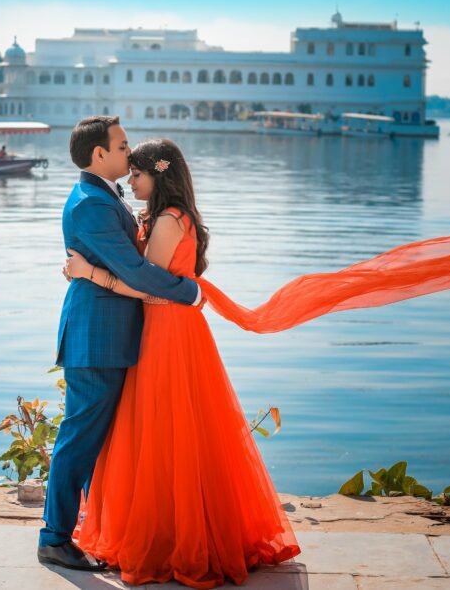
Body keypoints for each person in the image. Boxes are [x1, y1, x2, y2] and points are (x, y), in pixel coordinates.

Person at [63, 139, 300, 588]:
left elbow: (148, 286)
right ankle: (172, 529)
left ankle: (175, 539)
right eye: (129, 172)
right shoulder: (163, 217)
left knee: (165, 430)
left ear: (159, 175)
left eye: (137, 174)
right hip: (165, 328)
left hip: (167, 331)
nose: (131, 180)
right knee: (169, 433)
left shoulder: (170, 220)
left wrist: (88, 273)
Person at [38, 117, 202, 573]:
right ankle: (54, 538)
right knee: (80, 436)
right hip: (97, 338)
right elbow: (133, 270)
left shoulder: (105, 196)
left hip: (113, 335)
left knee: (102, 441)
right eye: (123, 146)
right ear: (99, 155)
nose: (130, 154)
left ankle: (94, 529)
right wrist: (190, 291)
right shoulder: (91, 203)